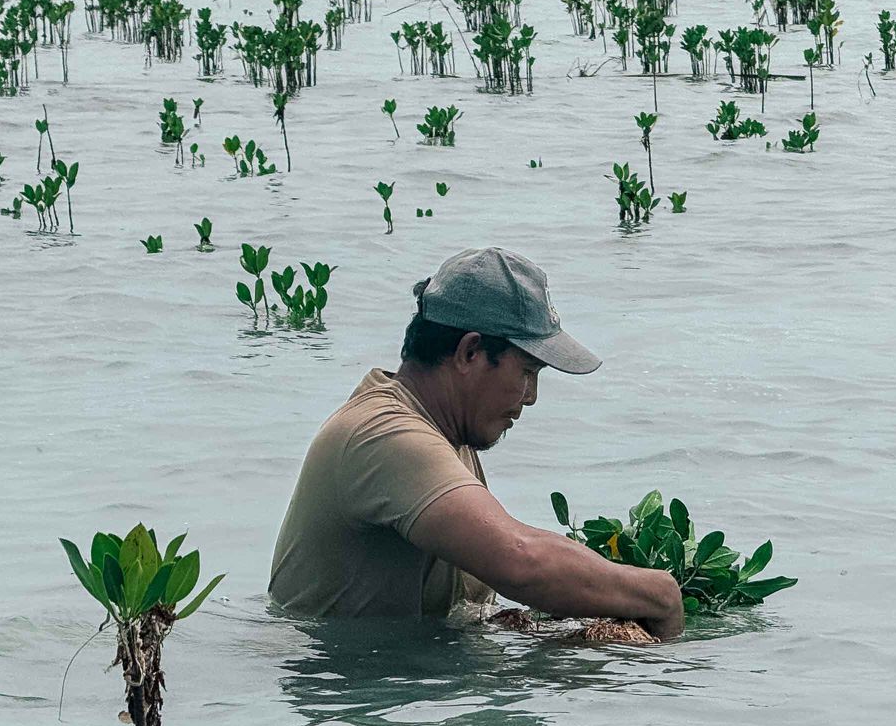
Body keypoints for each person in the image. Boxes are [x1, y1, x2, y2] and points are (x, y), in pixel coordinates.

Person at [269, 247, 685, 639]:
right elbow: (520, 559)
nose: (532, 396)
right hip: (344, 690)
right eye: (527, 371)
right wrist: (661, 594)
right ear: (470, 353)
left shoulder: (447, 432)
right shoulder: (386, 436)